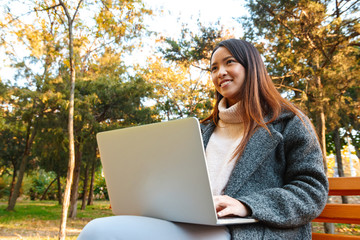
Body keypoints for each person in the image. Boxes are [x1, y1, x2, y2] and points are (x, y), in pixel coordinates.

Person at [77, 39, 328, 240]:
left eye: (229, 62)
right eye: (213, 67)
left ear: (252, 67)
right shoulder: (202, 129)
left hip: (250, 230)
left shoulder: (289, 121)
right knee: (99, 230)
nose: (220, 72)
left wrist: (247, 205)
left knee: (98, 233)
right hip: (191, 223)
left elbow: (312, 190)